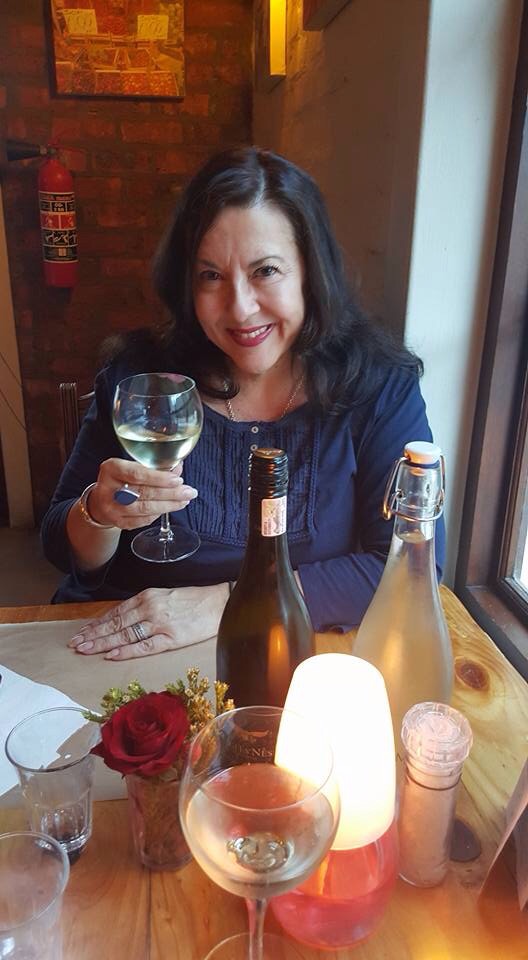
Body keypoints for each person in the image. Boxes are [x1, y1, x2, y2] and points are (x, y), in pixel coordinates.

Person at [41, 146, 444, 661]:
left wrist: (227, 604)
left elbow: (410, 568)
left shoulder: (379, 386)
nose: (240, 308)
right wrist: (97, 514)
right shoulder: (140, 378)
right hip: (126, 651)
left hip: (300, 653)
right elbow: (60, 546)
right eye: (210, 275)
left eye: (265, 270)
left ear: (310, 271)